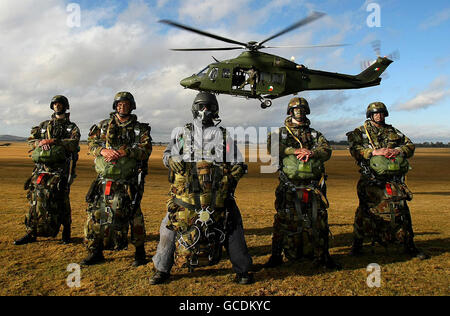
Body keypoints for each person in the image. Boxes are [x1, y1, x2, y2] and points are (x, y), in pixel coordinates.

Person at [150, 92, 253, 285]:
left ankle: (243, 270)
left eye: (209, 107)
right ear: (194, 109)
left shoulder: (223, 136)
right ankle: (161, 269)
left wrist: (238, 168)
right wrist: (171, 159)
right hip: (186, 195)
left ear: (215, 110)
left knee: (233, 225)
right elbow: (167, 155)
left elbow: (237, 160)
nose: (205, 111)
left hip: (217, 194)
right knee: (169, 226)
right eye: (201, 106)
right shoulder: (183, 133)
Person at [346, 102, 428, 259]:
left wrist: (397, 150)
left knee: (402, 209)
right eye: (376, 113)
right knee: (365, 211)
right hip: (370, 179)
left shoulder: (392, 131)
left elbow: (409, 145)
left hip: (393, 179)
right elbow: (354, 149)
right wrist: (373, 152)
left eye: (381, 113)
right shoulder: (360, 133)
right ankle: (357, 245)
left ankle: (409, 246)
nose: (379, 115)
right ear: (370, 115)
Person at [265, 97, 340, 269]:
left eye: (302, 109)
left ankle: (323, 257)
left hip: (313, 186)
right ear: (290, 112)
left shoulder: (314, 134)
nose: (299, 112)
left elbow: (327, 150)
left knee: (319, 219)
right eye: (296, 109)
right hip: (289, 185)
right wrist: (294, 150)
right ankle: (276, 256)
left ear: (306, 111)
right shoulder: (280, 133)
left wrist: (312, 153)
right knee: (283, 220)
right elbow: (272, 147)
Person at [81, 92, 152, 266]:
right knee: (95, 214)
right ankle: (95, 251)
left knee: (134, 215)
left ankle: (140, 253)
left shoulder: (140, 129)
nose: (123, 106)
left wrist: (125, 151)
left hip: (128, 180)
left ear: (132, 105)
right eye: (119, 104)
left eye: (126, 104)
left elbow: (146, 150)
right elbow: (91, 144)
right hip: (104, 179)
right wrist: (103, 151)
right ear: (115, 106)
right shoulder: (102, 126)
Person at [14, 95, 80, 245]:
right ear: (52, 106)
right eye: (55, 104)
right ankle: (31, 233)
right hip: (41, 169)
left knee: (62, 200)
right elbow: (31, 141)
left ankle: (66, 232)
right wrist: (40, 142)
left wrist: (54, 141)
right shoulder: (43, 125)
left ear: (65, 106)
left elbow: (74, 143)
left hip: (61, 170)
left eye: (60, 104)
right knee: (34, 200)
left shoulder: (71, 127)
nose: (57, 106)